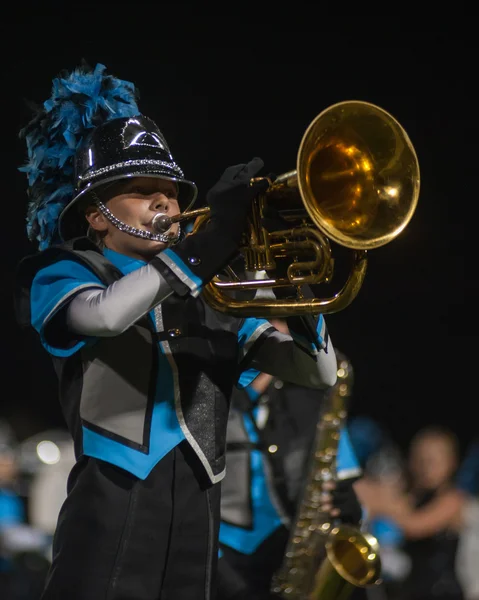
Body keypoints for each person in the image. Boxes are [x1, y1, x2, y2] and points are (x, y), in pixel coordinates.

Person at [13, 62, 338, 600]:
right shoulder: (63, 272)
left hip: (199, 509)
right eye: (144, 191)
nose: (166, 203)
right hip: (113, 499)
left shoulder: (212, 295)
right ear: (96, 215)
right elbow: (106, 315)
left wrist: (296, 289)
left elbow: (317, 372)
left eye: (171, 192)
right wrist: (204, 250)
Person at [216, 326, 363, 600]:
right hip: (222, 556)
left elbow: (343, 483)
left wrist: (345, 507)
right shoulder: (213, 397)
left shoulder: (313, 402)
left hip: (288, 550)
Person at [361, 425, 467, 600]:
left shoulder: (453, 499)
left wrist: (380, 505)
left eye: (433, 461)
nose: (426, 468)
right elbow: (376, 496)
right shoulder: (411, 495)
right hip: (410, 590)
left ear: (451, 463)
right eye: (420, 460)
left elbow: (415, 526)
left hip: (441, 592)